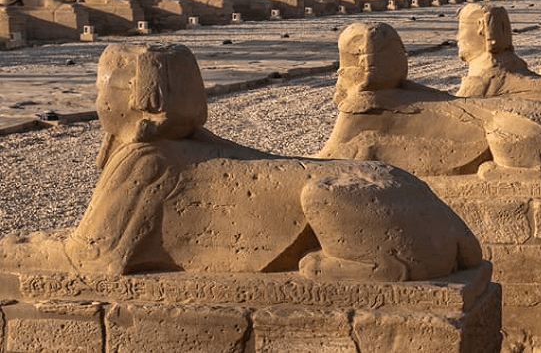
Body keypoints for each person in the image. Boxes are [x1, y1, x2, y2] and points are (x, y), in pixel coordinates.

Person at [1, 43, 482, 281]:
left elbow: (92, 259)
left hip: (394, 232)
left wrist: (15, 248)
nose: (98, 97)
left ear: (136, 98)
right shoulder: (185, 148)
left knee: (326, 192)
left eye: (103, 86)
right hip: (424, 219)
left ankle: (380, 265)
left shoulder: (149, 162)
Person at [319, 22, 541, 180]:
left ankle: (535, 169)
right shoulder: (399, 97)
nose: (456, 37)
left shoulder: (368, 108)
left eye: (461, 29)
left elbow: (329, 161)